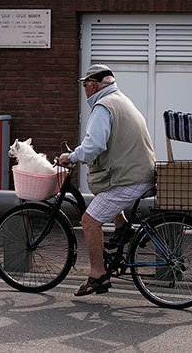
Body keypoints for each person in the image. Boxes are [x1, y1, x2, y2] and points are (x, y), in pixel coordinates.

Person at [58, 64, 155, 297]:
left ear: (92, 85)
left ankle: (98, 275)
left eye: (84, 85)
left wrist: (71, 157)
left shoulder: (103, 107)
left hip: (129, 177)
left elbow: (94, 146)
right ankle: (122, 228)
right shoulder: (121, 99)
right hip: (138, 172)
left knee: (89, 221)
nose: (84, 90)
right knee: (104, 194)